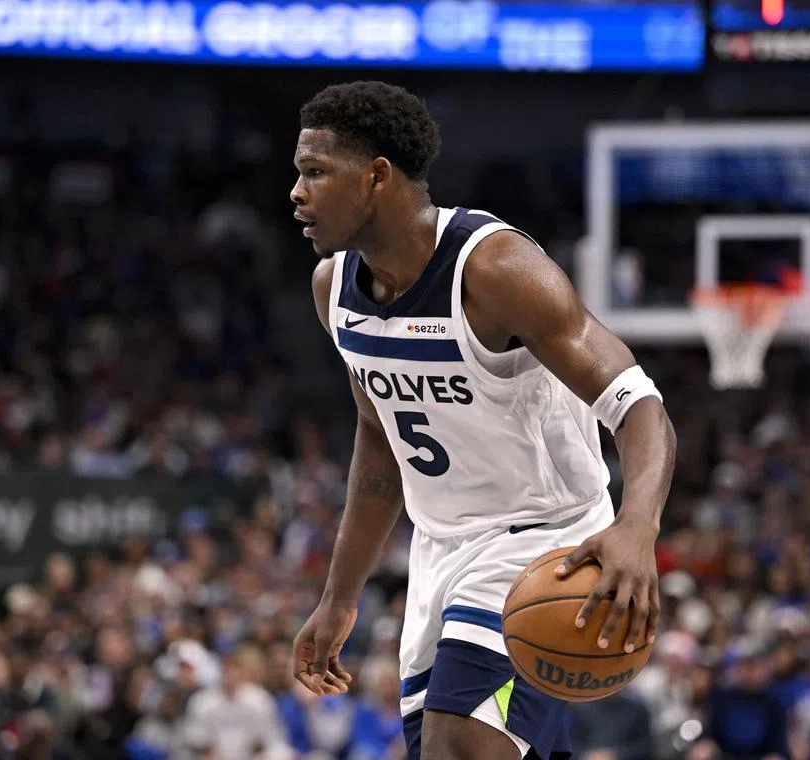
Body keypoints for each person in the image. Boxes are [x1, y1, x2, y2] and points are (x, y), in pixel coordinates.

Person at [288, 80, 676, 760]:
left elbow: (639, 404)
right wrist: (339, 597)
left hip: (546, 543)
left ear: (378, 176)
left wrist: (637, 526)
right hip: (441, 554)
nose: (297, 192)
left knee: (458, 747)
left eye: (316, 172)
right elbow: (381, 445)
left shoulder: (494, 268)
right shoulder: (334, 289)